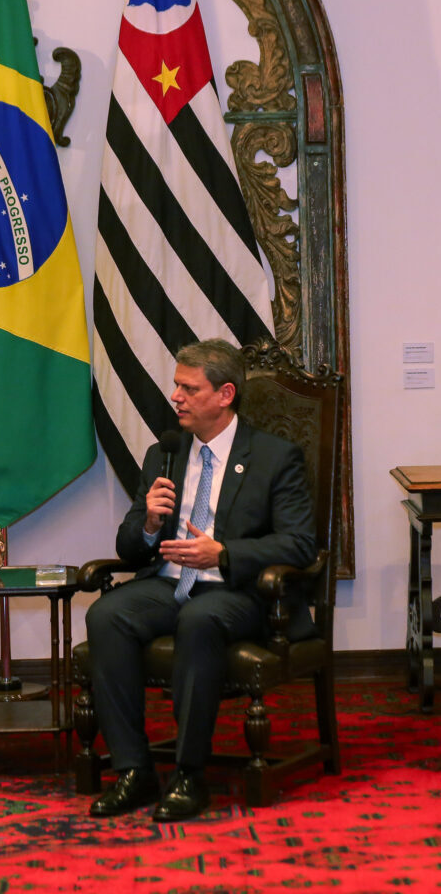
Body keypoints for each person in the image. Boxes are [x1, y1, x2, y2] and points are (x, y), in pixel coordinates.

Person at [86, 339, 316, 821]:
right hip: (169, 582)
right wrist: (149, 523)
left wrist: (225, 553)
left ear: (225, 394)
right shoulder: (163, 455)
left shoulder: (275, 458)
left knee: (200, 618)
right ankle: (135, 771)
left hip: (239, 592)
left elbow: (299, 545)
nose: (176, 397)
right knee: (106, 615)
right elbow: (129, 546)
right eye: (176, 385)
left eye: (189, 388)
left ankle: (190, 775)